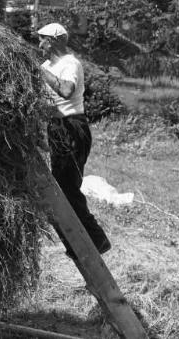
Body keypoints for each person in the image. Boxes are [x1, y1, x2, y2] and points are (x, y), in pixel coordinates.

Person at [38, 22, 111, 257]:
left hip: (72, 128)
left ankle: (96, 240)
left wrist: (40, 73)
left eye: (43, 39)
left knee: (67, 188)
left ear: (56, 40)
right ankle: (76, 242)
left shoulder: (70, 64)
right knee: (59, 189)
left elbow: (67, 91)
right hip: (56, 128)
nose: (40, 45)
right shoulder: (45, 66)